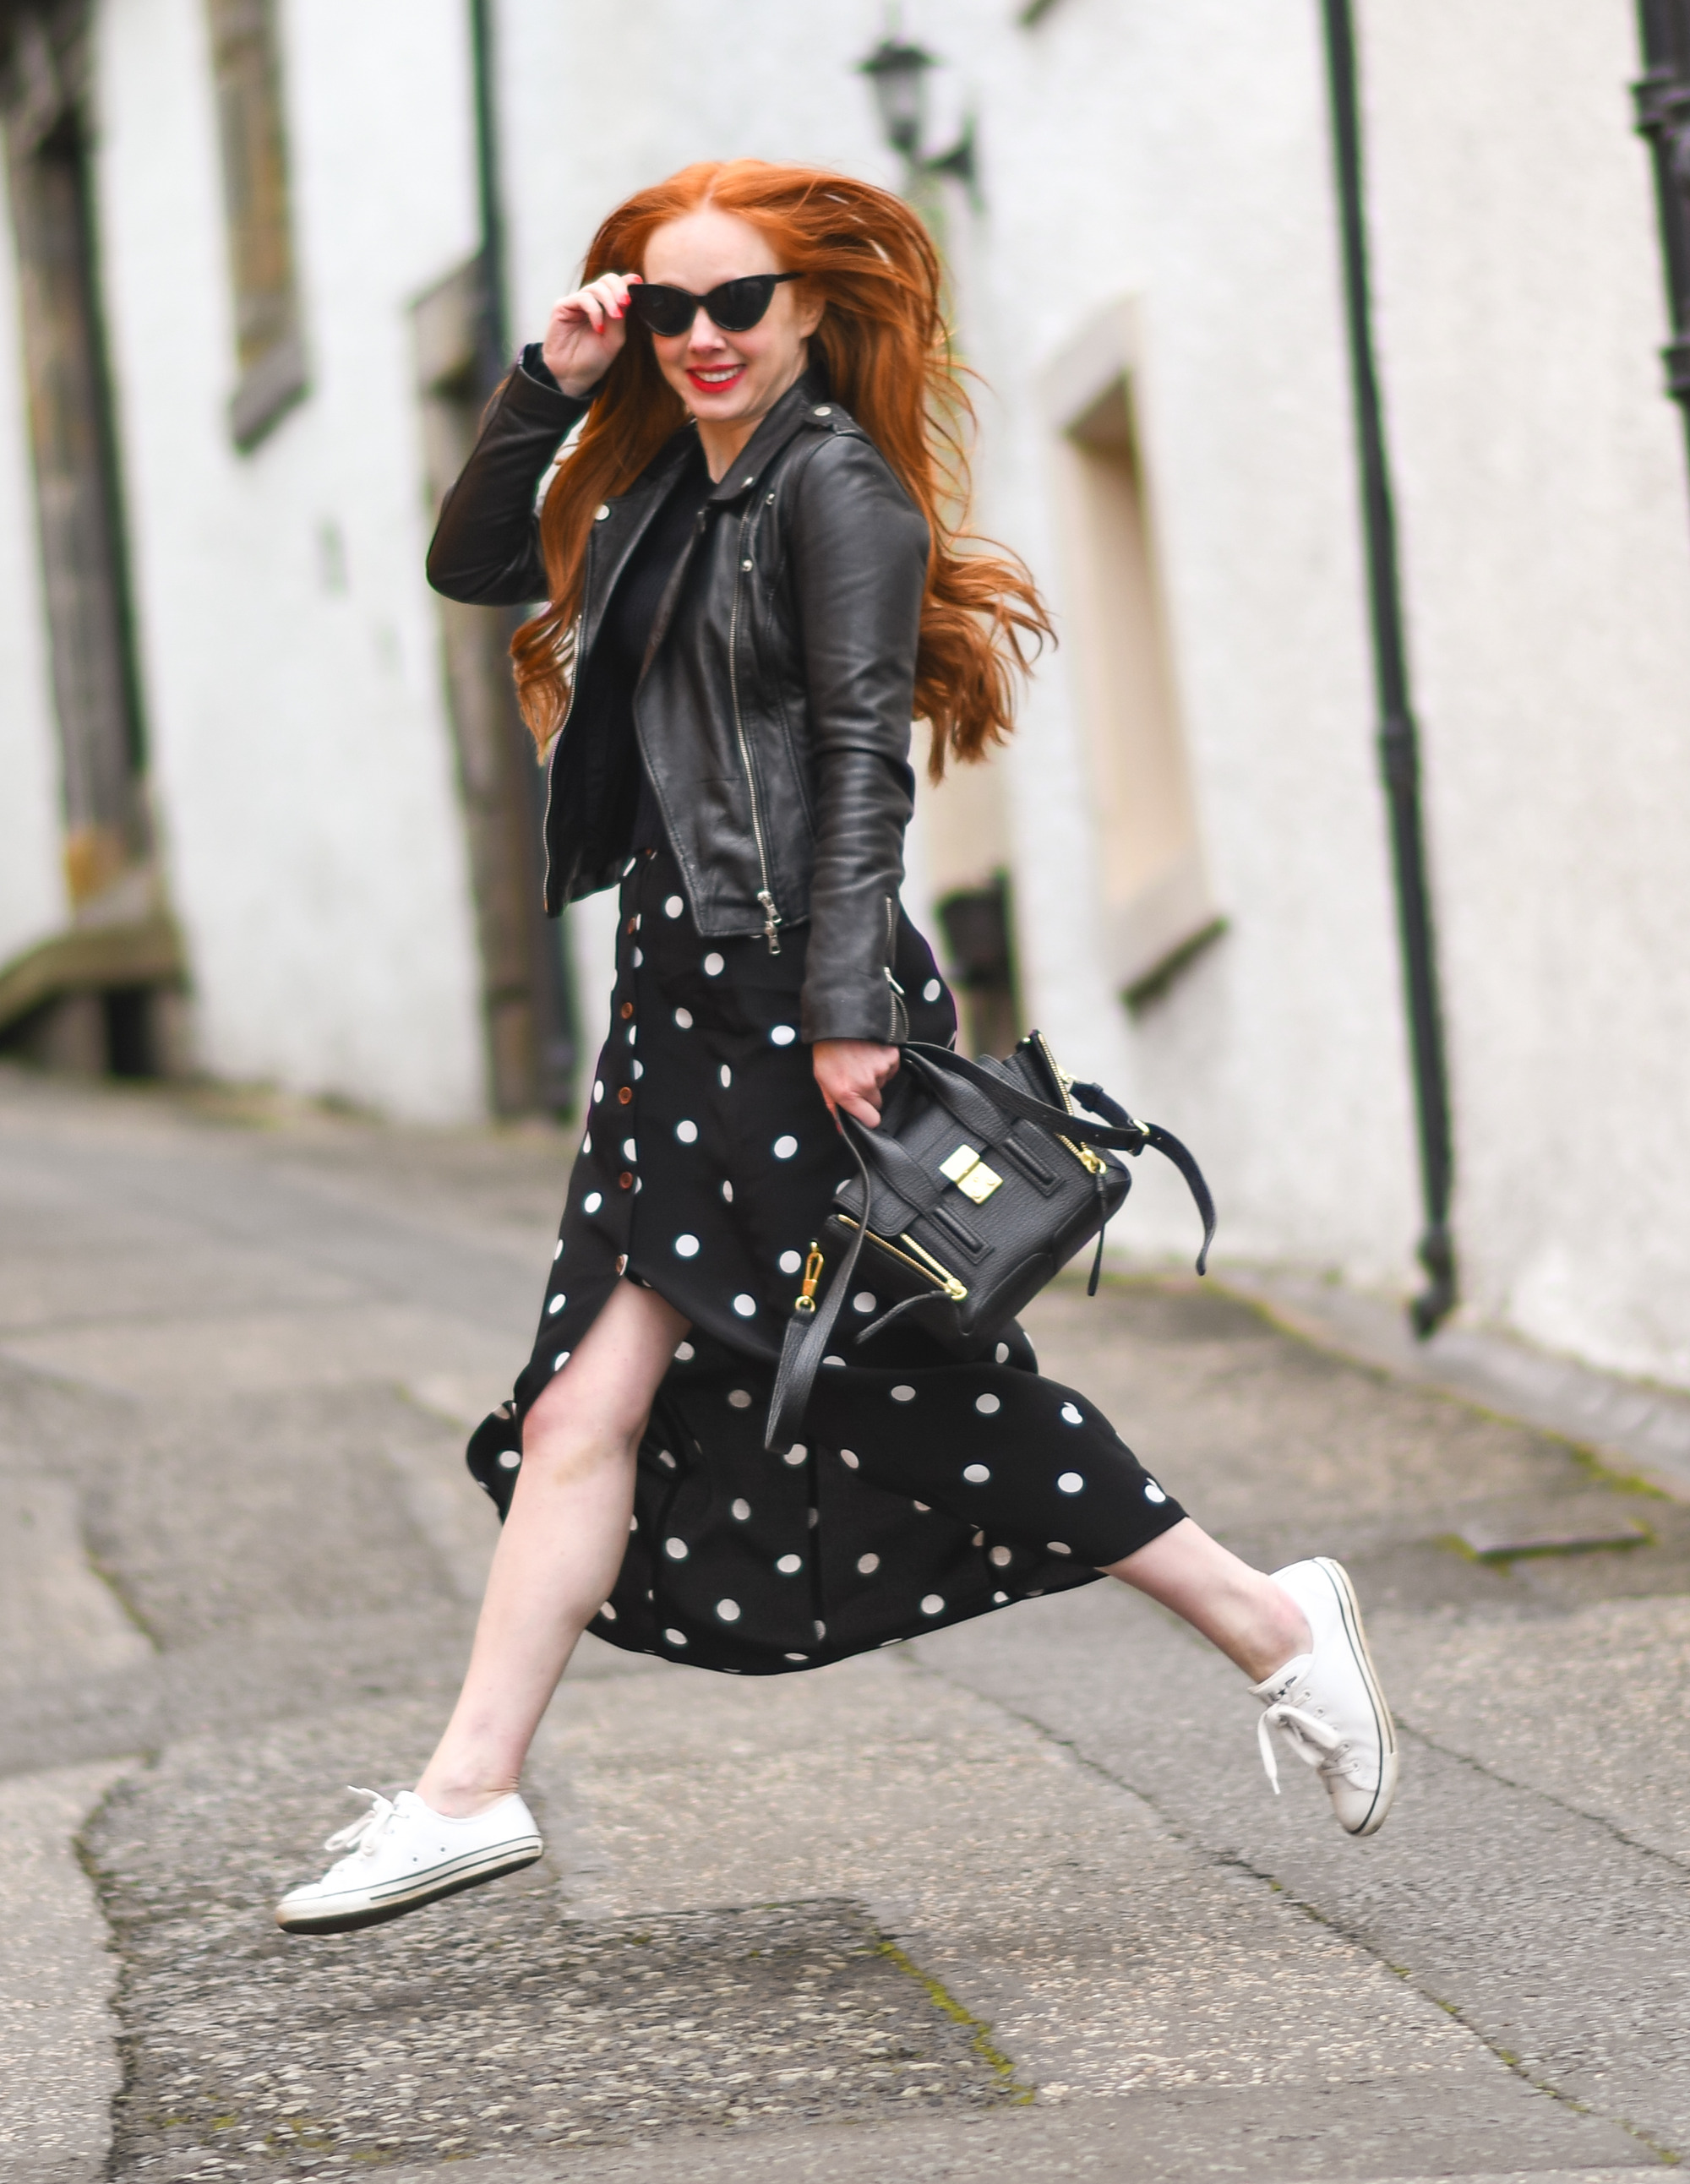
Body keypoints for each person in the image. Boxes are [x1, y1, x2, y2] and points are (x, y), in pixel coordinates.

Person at [275, 161, 1397, 1936]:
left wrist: (850, 1004)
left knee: (910, 1385)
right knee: (585, 1399)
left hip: (798, 1000)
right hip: (677, 1000)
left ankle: (1273, 1621)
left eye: (738, 303)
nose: (704, 337)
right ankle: (465, 1792)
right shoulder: (655, 480)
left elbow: (866, 751)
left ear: (807, 311)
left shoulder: (837, 493)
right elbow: (477, 560)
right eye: (669, 305)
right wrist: (547, 383)